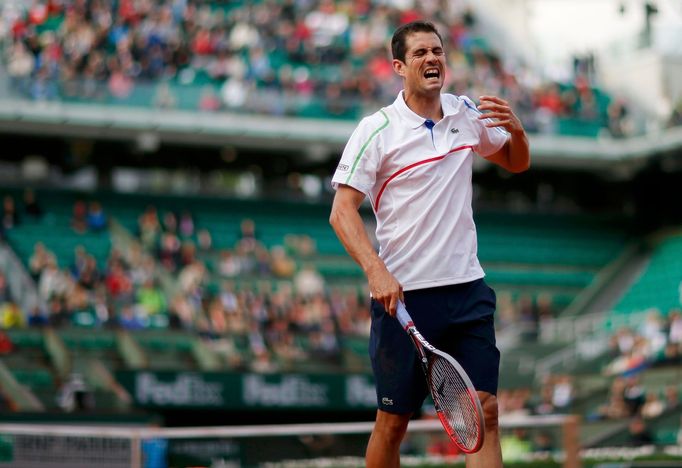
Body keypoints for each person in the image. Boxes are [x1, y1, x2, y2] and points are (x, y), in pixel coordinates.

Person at [329, 21, 530, 468]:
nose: (432, 58)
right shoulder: (377, 129)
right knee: (393, 424)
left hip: (467, 289)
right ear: (399, 66)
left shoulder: (465, 113)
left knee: (486, 412)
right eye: (419, 53)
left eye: (437, 51)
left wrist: (517, 131)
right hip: (404, 300)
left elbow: (515, 162)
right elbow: (341, 212)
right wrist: (376, 270)